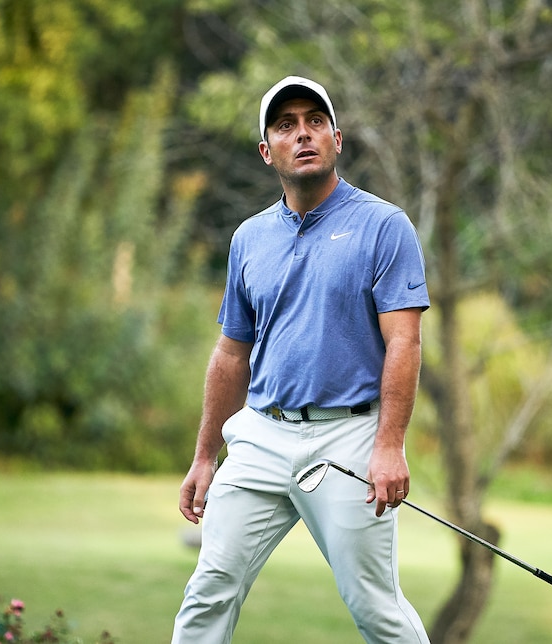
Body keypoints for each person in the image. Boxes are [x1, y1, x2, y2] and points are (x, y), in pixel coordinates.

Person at [171, 75, 431, 643]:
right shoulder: (249, 237)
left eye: (315, 122)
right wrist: (204, 455)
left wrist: (389, 446)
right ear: (268, 152)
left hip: (349, 440)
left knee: (373, 605)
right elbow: (231, 355)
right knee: (210, 586)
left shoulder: (384, 226)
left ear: (337, 138)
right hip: (261, 436)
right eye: (286, 126)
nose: (303, 134)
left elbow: (404, 343)